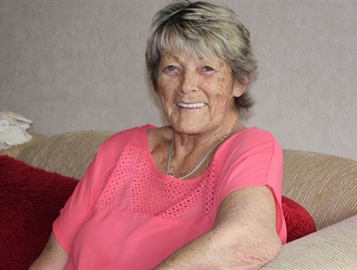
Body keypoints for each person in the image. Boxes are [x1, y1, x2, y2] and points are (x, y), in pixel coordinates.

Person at [30, 0, 286, 269]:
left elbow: (250, 238)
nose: (187, 86)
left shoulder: (250, 149)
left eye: (206, 69)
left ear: (239, 81)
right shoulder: (120, 149)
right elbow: (52, 257)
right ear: (156, 82)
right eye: (172, 68)